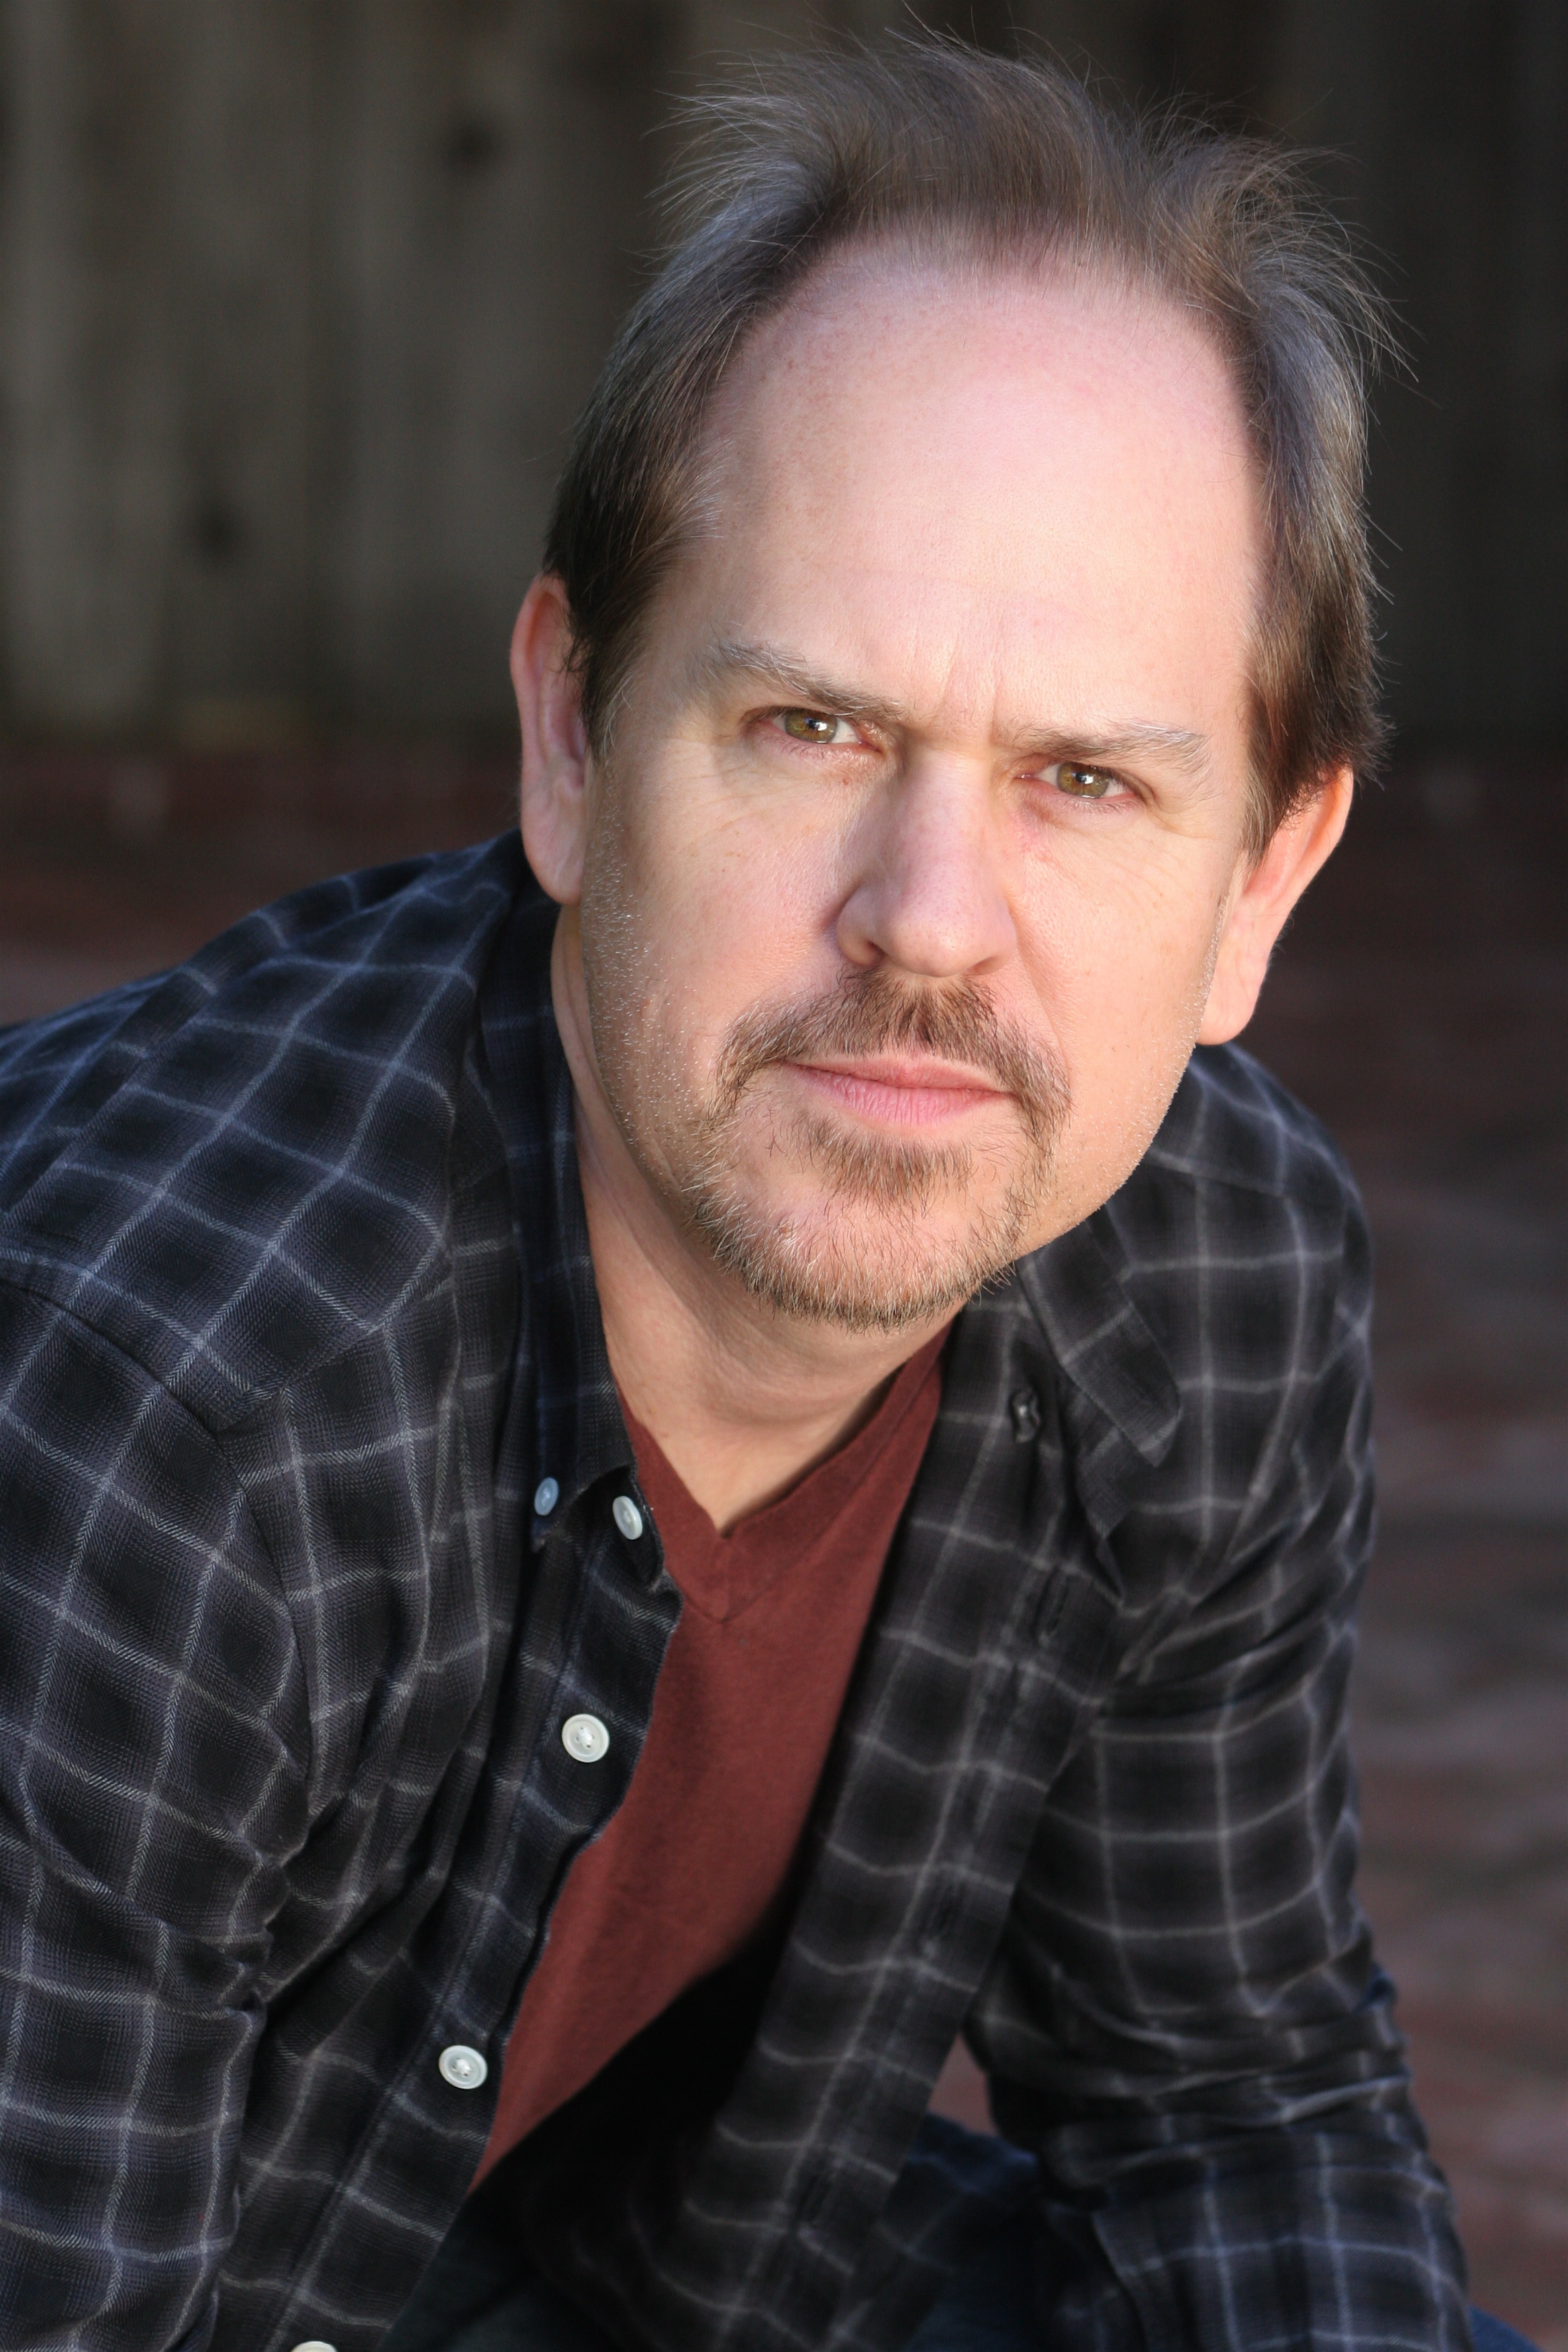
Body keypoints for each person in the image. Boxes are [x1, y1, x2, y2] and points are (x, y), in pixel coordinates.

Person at [0, 40, 1530, 2352]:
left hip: (591, 2241)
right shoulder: (177, 1413)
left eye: (1085, 781)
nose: (930, 920)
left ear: (1263, 880)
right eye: (814, 728)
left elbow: (1220, 2105)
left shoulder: (1201, 1268)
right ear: (572, 738)